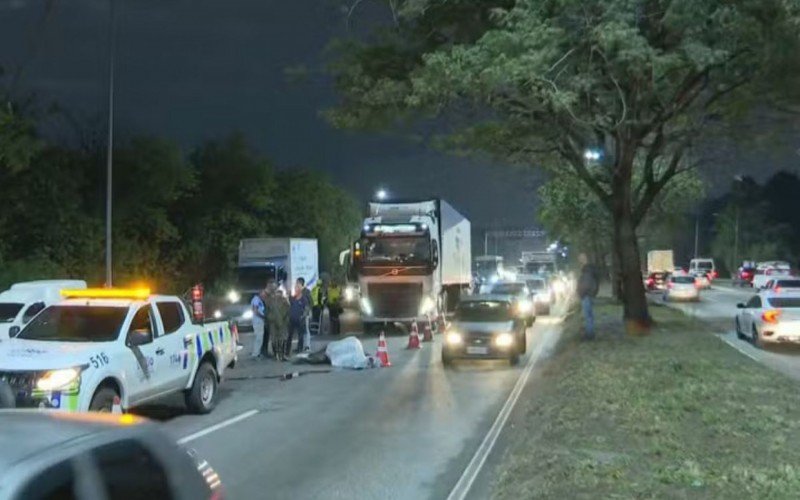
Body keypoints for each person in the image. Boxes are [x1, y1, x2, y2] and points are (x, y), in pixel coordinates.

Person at [577, 253, 599, 340]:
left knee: (588, 316)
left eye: (581, 259)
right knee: (589, 315)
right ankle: (590, 332)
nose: (579, 261)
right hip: (589, 295)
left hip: (586, 295)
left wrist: (581, 293)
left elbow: (586, 284)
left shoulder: (587, 270)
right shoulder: (589, 270)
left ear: (584, 259)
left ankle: (589, 334)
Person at [265, 284, 290, 361]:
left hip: (283, 322)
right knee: (274, 339)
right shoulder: (270, 300)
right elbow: (267, 311)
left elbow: (288, 310)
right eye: (276, 292)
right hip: (273, 322)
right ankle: (276, 354)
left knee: (282, 338)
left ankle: (282, 354)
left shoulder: (284, 300)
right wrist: (270, 318)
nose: (277, 294)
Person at [288, 278, 311, 355]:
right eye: (295, 287)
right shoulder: (294, 297)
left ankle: (303, 347)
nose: (295, 288)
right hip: (293, 318)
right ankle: (288, 348)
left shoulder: (305, 295)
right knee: (290, 334)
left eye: (297, 286)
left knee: (303, 332)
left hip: (301, 318)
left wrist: (304, 315)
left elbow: (307, 306)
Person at [250, 288, 268, 359]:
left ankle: (257, 352)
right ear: (260, 293)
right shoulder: (256, 300)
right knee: (258, 338)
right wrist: (263, 317)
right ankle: (256, 354)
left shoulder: (260, 300)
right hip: (257, 321)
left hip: (260, 321)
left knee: (259, 338)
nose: (264, 295)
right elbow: (255, 311)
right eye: (263, 294)